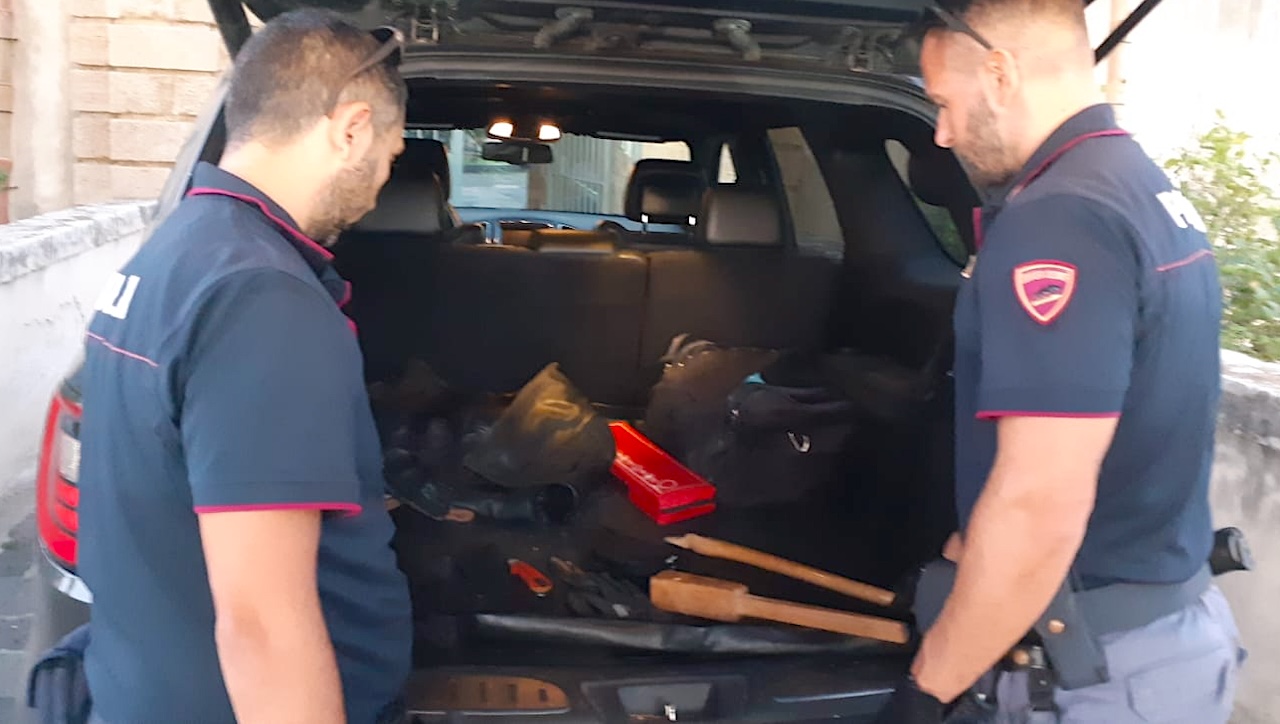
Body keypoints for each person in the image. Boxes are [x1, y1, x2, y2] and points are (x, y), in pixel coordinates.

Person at [874, 0, 1246, 721]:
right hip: (1163, 640)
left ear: (999, 73)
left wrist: (929, 687)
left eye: (944, 103)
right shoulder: (1135, 182)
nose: (942, 133)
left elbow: (1039, 501)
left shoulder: (1058, 219)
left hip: (1098, 675)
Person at [74, 9, 411, 723]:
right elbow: (263, 627)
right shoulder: (264, 298)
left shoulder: (176, 251)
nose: (383, 182)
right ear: (352, 129)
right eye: (392, 154)